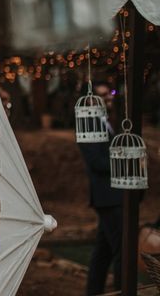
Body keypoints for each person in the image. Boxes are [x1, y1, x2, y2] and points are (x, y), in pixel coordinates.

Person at [78, 81, 122, 295]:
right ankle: (125, 289)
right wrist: (123, 160)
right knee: (123, 250)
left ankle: (93, 291)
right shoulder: (88, 123)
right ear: (89, 100)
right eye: (103, 95)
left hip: (114, 193)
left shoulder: (107, 121)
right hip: (107, 195)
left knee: (102, 251)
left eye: (110, 94)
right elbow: (96, 162)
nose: (109, 98)